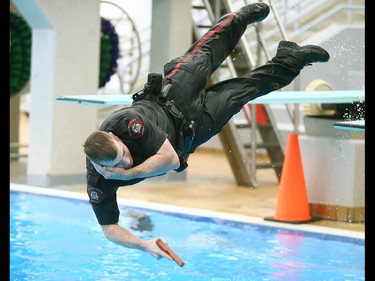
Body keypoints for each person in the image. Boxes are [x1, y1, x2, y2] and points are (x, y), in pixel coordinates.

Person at [83, 2, 330, 262]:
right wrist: (144, 244)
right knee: (242, 92)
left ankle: (240, 17)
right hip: (191, 132)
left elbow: (168, 159)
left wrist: (127, 173)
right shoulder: (99, 181)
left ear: (114, 138)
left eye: (123, 153)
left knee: (204, 55)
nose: (126, 161)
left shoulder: (125, 123)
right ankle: (290, 58)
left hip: (172, 95)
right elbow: (108, 228)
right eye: (117, 163)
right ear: (98, 166)